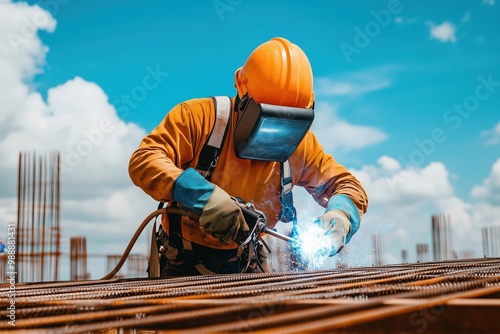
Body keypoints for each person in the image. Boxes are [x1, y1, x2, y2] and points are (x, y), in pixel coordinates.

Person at [129, 37, 368, 277]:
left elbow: (347, 186)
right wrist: (202, 197)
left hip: (249, 261)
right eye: (267, 120)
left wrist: (341, 215)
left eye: (288, 124)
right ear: (242, 99)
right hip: (183, 262)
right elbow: (146, 159)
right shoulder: (199, 119)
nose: (276, 135)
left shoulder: (301, 146)